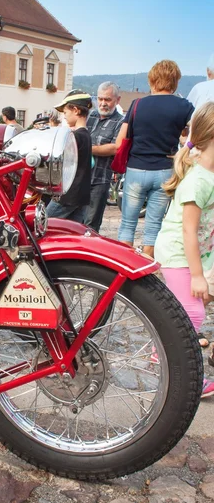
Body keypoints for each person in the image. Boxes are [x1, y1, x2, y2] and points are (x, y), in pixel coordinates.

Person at [155, 102, 214, 397]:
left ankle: (165, 352)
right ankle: (171, 362)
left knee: (193, 309)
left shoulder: (207, 174)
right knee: (190, 314)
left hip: (195, 253)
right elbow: (188, 230)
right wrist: (197, 275)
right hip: (179, 254)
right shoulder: (198, 181)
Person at [117, 60, 194, 257]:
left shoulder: (137, 104)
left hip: (136, 169)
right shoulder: (184, 106)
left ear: (152, 79)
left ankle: (123, 270)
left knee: (127, 224)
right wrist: (184, 149)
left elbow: (121, 140)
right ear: (175, 81)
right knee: (153, 227)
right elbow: (197, 133)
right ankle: (146, 275)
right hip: (165, 170)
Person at [83, 82, 124, 232]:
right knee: (74, 223)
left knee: (91, 226)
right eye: (100, 99)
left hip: (100, 180)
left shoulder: (120, 121)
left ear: (117, 100)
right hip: (80, 178)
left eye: (107, 100)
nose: (103, 103)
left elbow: (115, 148)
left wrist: (86, 148)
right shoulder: (89, 116)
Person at [46, 90, 92, 222]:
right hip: (80, 194)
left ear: (76, 110)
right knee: (72, 232)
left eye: (65, 112)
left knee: (43, 224)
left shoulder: (76, 137)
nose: (64, 117)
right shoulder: (86, 135)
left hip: (69, 194)